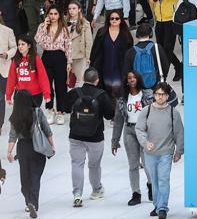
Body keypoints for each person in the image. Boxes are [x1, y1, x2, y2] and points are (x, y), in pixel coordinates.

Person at [66, 66, 115, 207]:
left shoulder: (75, 93)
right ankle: (96, 190)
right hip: (95, 137)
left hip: (75, 135)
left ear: (83, 79)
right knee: (94, 165)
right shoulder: (101, 95)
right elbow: (110, 115)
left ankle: (77, 194)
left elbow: (62, 106)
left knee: (77, 164)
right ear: (97, 80)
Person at [136, 81, 184, 219]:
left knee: (163, 179)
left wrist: (179, 151)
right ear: (154, 95)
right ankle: (157, 205)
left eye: (163, 94)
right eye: (157, 94)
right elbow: (139, 129)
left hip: (166, 152)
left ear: (168, 96)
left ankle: (163, 207)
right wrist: (145, 143)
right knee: (154, 181)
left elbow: (179, 132)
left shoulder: (173, 113)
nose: (160, 97)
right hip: (150, 153)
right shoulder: (147, 111)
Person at [6, 88, 54, 217]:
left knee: (25, 178)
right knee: (35, 177)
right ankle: (32, 203)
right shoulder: (37, 112)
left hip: (23, 148)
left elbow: (12, 136)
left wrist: (9, 152)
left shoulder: (15, 116)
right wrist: (52, 145)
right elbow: (47, 130)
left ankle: (28, 200)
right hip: (38, 148)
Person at [112, 70, 153, 206]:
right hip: (129, 130)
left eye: (134, 77)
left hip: (144, 131)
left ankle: (151, 185)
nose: (132, 79)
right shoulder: (123, 98)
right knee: (133, 164)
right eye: (129, 78)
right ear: (126, 81)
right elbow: (118, 120)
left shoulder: (147, 94)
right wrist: (114, 141)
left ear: (138, 79)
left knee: (147, 163)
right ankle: (136, 193)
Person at [34, 6, 70, 125]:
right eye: (51, 13)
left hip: (60, 57)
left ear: (59, 15)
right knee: (47, 85)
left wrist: (69, 62)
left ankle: (61, 111)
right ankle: (50, 109)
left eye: (55, 13)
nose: (53, 16)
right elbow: (38, 40)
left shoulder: (64, 28)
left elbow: (68, 46)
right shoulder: (42, 26)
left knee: (61, 85)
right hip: (47, 56)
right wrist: (44, 26)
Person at [149, 0, 184, 82]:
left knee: (168, 49)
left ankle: (162, 77)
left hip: (171, 19)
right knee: (161, 49)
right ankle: (178, 66)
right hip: (159, 19)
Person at [89, 10, 132, 98]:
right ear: (108, 20)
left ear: (121, 20)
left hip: (120, 67)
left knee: (119, 92)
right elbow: (95, 48)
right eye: (112, 18)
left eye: (117, 18)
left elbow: (130, 51)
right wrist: (91, 61)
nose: (114, 20)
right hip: (104, 66)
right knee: (105, 91)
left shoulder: (125, 34)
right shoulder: (102, 32)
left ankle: (117, 110)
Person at [6, 35, 50, 107]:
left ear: (29, 46)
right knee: (20, 117)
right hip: (20, 95)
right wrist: (8, 95)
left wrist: (46, 94)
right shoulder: (16, 60)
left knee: (33, 117)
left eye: (23, 44)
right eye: (19, 44)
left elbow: (42, 77)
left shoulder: (36, 58)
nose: (20, 46)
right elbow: (11, 79)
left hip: (35, 95)